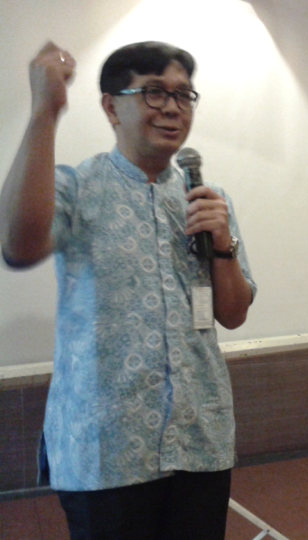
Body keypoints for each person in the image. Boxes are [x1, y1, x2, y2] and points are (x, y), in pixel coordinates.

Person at [0, 41, 256, 539]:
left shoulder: (208, 200)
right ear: (111, 106)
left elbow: (233, 314)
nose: (173, 108)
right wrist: (44, 113)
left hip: (199, 441)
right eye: (154, 92)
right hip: (106, 451)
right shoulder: (77, 187)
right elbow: (18, 245)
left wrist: (223, 246)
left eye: (183, 95)